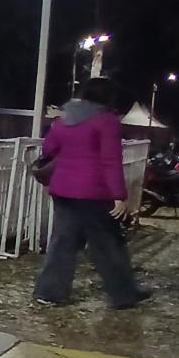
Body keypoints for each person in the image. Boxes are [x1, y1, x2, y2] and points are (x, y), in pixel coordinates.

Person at [34, 78, 151, 309]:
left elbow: (48, 149)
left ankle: (49, 292)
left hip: (63, 190)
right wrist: (119, 196)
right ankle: (124, 293)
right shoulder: (106, 122)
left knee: (63, 242)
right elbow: (110, 161)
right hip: (94, 193)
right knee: (109, 245)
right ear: (107, 97)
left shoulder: (62, 120)